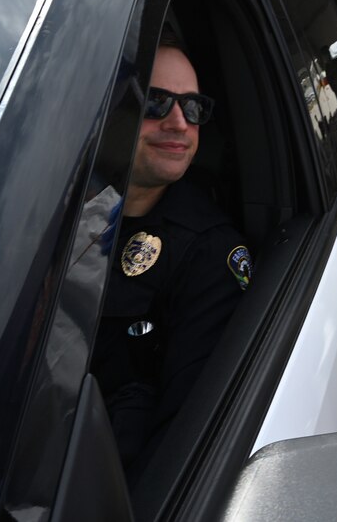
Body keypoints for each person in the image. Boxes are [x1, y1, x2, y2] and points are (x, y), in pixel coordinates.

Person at [90, 39, 251, 474]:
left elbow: (179, 445)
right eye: (156, 102)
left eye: (193, 107)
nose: (180, 122)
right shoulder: (48, 208)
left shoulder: (208, 252)